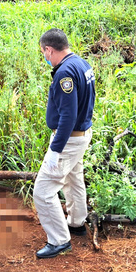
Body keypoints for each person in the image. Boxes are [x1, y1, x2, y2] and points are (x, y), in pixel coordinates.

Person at [33, 28, 96, 259]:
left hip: (68, 139)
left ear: (49, 49)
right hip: (82, 134)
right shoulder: (82, 64)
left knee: (43, 191)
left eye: (43, 52)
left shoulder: (64, 74)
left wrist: (55, 150)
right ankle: (77, 222)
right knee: (73, 178)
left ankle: (59, 240)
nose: (44, 57)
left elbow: (67, 116)